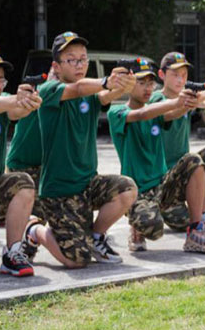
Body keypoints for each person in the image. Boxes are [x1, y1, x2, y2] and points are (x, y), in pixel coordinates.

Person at [23, 31, 138, 269]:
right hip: (59, 192)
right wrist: (106, 81)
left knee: (127, 188)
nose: (79, 64)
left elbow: (107, 94)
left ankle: (96, 237)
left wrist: (124, 83)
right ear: (56, 65)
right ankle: (35, 230)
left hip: (88, 184)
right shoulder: (49, 90)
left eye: (83, 59)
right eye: (72, 59)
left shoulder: (90, 94)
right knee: (76, 261)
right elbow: (77, 89)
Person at [108, 59, 205, 253]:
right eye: (141, 82)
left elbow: (172, 113)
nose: (147, 88)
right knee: (153, 227)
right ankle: (136, 227)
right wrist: (180, 101)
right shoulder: (117, 112)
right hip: (137, 190)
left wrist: (189, 103)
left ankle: (196, 231)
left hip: (162, 184)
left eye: (150, 84)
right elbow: (142, 115)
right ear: (128, 85)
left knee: (193, 160)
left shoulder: (158, 112)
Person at [149, 52, 205, 231]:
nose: (181, 80)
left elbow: (204, 104)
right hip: (163, 183)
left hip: (184, 173)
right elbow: (171, 110)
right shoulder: (157, 99)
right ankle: (164, 210)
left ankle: (203, 212)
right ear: (162, 75)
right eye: (175, 75)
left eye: (184, 75)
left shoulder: (187, 98)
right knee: (183, 223)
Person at [0, 51, 42, 277]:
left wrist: (30, 101)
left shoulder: (3, 102)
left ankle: (13, 253)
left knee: (23, 182)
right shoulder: (3, 100)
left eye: (0, 79)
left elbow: (17, 110)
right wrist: (15, 98)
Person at [6, 67, 56, 220]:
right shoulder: (35, 95)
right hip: (21, 163)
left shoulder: (65, 95)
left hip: (44, 166)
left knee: (41, 215)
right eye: (54, 73)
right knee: (29, 215)